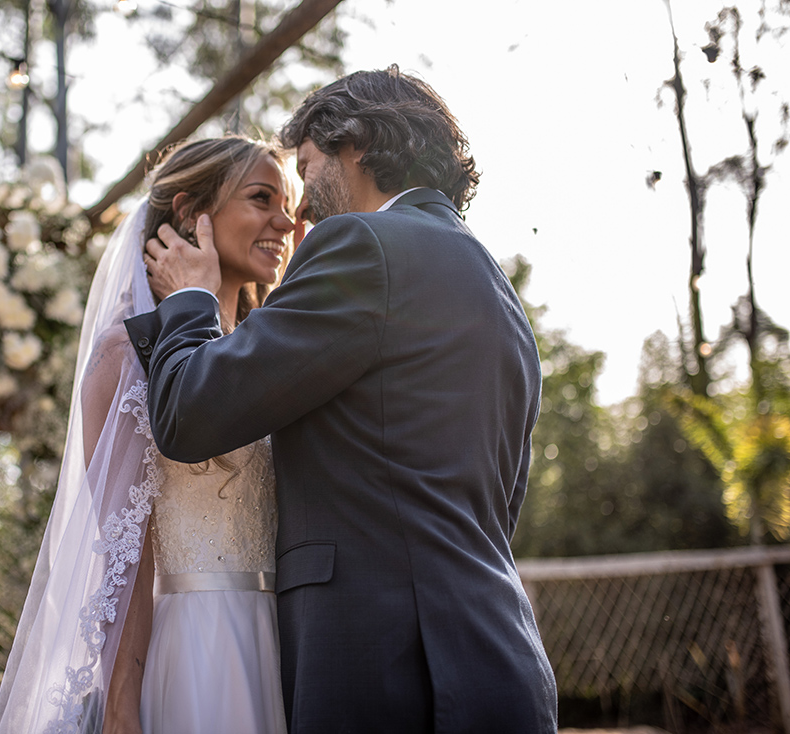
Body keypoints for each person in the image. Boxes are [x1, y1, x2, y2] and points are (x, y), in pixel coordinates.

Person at [126, 66, 559, 733]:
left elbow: (188, 415)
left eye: (306, 165)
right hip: (492, 661)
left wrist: (188, 299)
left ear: (352, 142)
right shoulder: (491, 283)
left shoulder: (363, 244)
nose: (298, 213)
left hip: (394, 675)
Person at [0, 136, 296, 734]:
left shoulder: (268, 350)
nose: (285, 221)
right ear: (189, 213)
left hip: (289, 643)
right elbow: (123, 557)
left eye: (288, 203)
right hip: (201, 650)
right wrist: (122, 704)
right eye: (262, 199)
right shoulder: (125, 360)